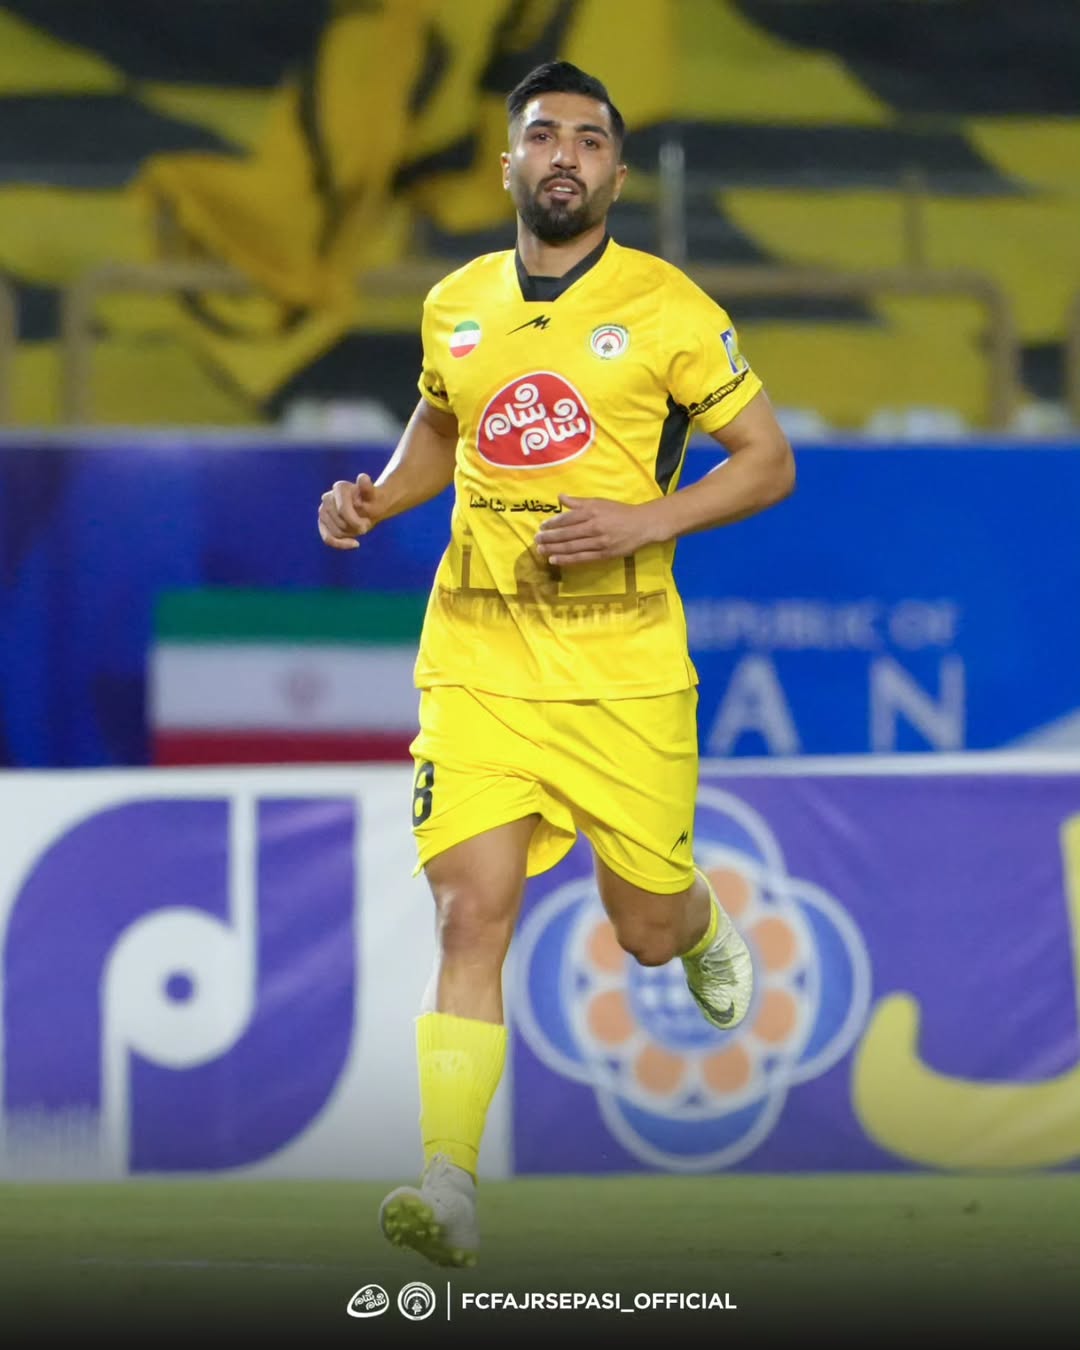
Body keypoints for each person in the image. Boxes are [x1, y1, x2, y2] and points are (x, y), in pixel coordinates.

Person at [317, 60, 795, 1269]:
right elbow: (445, 422)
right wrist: (379, 497)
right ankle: (448, 1182)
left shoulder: (669, 308)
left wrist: (646, 521)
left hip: (622, 667)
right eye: (543, 136)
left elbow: (767, 462)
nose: (564, 155)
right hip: (478, 651)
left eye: (588, 139)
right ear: (510, 164)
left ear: (617, 175)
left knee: (642, 930)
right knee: (469, 912)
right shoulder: (456, 303)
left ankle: (695, 919)